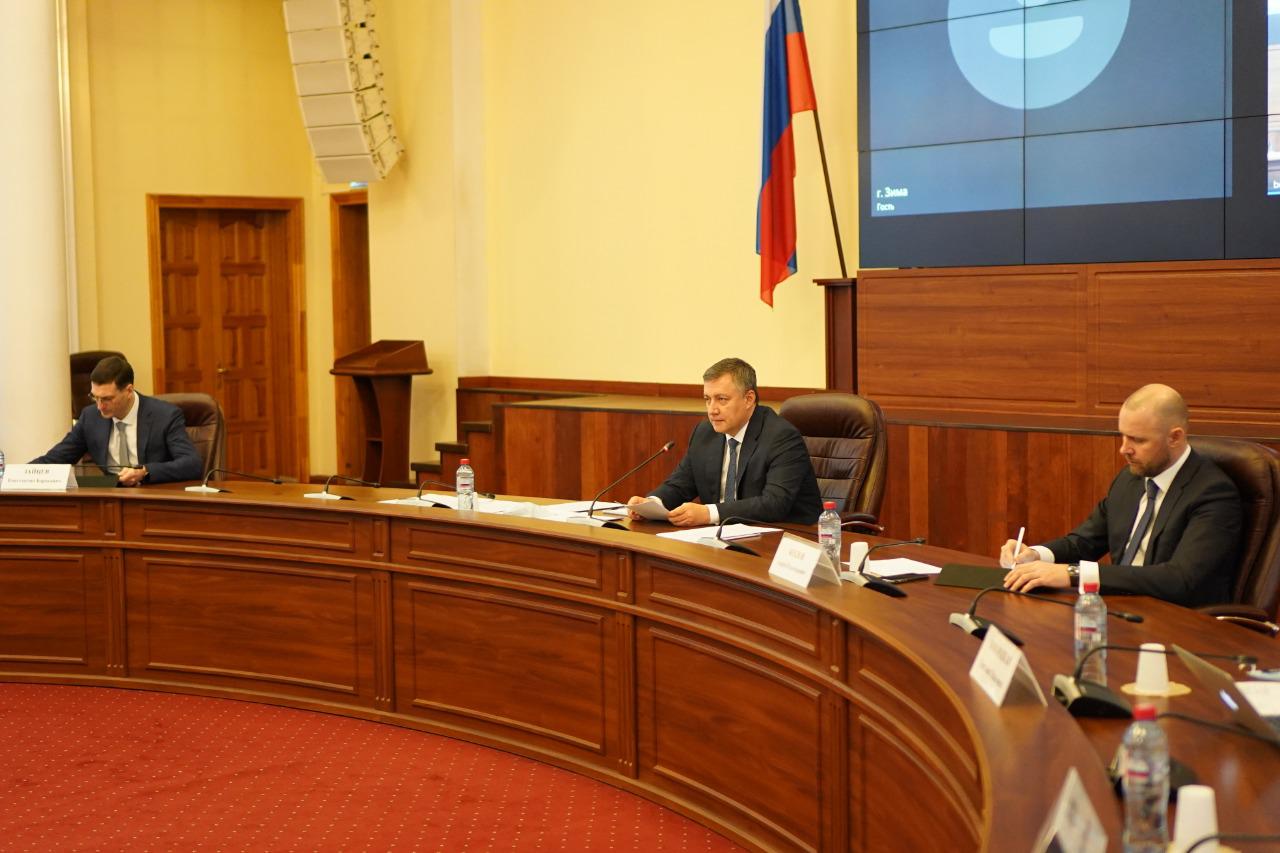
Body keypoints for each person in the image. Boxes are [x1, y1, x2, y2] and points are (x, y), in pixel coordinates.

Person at [1001, 384, 1242, 607]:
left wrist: (1075, 574)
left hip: (1177, 619)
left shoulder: (1213, 493)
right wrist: (1035, 555)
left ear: (1175, 437)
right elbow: (1084, 543)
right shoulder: (1130, 479)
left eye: (1138, 440)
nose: (1124, 449)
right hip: (1120, 609)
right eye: (1123, 436)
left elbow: (1180, 579)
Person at [627, 357, 822, 526]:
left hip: (785, 536)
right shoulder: (705, 433)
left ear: (749, 399)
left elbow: (774, 504)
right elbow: (680, 484)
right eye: (707, 399)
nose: (712, 410)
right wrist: (651, 504)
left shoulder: (781, 436)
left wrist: (709, 513)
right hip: (723, 537)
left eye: (721, 399)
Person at [32, 355, 203, 486]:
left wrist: (144, 472)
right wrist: (20, 474)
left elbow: (192, 464)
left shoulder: (165, 415)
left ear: (128, 391)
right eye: (95, 397)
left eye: (107, 399)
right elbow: (56, 459)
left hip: (153, 498)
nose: (100, 406)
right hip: (110, 500)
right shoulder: (90, 417)